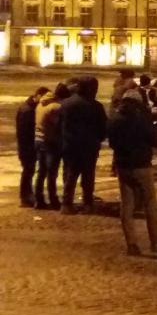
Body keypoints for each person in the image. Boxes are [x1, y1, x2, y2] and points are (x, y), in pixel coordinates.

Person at [108, 88, 157, 256]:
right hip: (141, 164)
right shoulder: (141, 119)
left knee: (127, 204)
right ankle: (156, 241)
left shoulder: (115, 118)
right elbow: (154, 140)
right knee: (150, 202)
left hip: (123, 165)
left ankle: (132, 244)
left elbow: (112, 143)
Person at [59, 76, 108, 214]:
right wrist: (98, 138)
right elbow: (103, 127)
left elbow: (59, 124)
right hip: (89, 146)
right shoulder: (96, 106)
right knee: (88, 176)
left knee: (70, 175)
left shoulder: (66, 104)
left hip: (70, 145)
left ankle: (66, 204)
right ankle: (87, 203)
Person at [16, 86, 48, 207]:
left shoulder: (28, 107)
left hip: (26, 146)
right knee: (28, 170)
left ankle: (27, 195)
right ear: (38, 95)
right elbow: (26, 132)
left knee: (29, 170)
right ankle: (25, 197)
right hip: (27, 147)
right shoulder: (28, 110)